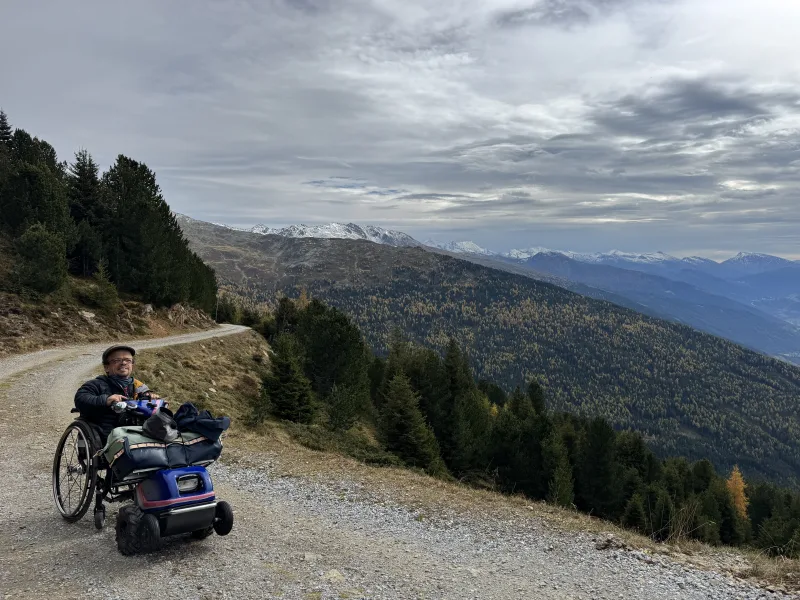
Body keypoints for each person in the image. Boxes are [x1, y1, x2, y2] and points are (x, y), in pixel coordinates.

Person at [74, 344, 162, 439]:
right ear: (106, 367)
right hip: (106, 436)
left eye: (128, 360)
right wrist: (106, 400)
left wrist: (152, 400)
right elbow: (80, 399)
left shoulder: (140, 387)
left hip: (135, 434)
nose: (123, 363)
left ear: (132, 365)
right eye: (117, 360)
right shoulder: (96, 384)